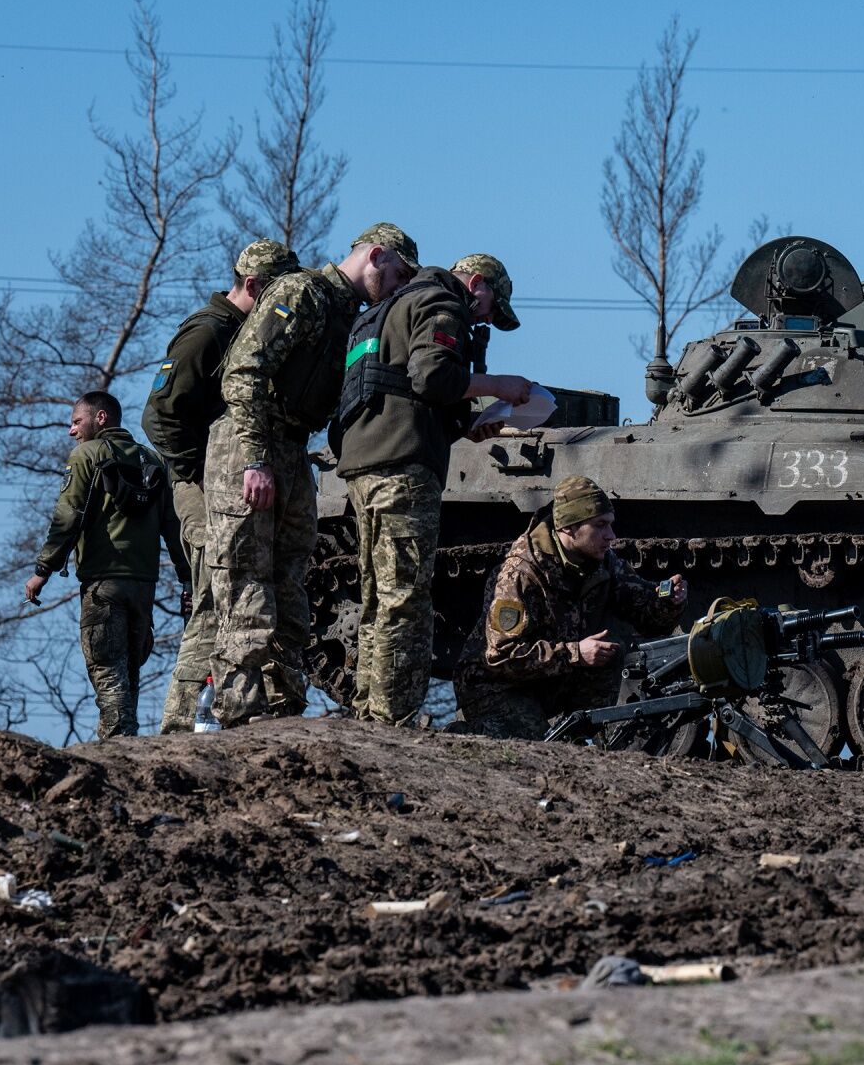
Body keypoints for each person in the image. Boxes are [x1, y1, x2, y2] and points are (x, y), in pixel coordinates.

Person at [206, 222, 420, 727]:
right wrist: (255, 459)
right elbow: (244, 371)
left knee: (290, 580)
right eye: (399, 273)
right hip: (251, 442)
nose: (399, 285)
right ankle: (241, 709)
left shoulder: (351, 317)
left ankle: (283, 705)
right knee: (245, 576)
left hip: (293, 448)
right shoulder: (301, 291)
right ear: (376, 255)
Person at [332, 252, 539, 725]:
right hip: (403, 466)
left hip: (366, 464)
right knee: (405, 598)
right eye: (489, 307)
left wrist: (465, 426)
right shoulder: (441, 302)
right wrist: (499, 385)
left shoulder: (388, 308)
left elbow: (397, 387)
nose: (483, 319)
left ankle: (369, 710)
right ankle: (393, 717)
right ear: (476, 282)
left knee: (378, 597)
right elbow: (432, 377)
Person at [141, 238, 299, 733]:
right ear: (252, 285)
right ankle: (180, 722)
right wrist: (200, 474)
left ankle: (215, 715)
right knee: (214, 595)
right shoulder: (209, 332)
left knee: (232, 595)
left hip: (221, 481)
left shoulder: (241, 332)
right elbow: (159, 416)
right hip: (200, 486)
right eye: (275, 292)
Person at [454, 476, 687, 737]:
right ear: (569, 528)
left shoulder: (602, 563)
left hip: (548, 678)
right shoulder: (521, 574)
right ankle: (462, 734)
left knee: (609, 654)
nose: (611, 536)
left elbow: (646, 615)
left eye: (610, 524)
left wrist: (668, 602)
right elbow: (500, 656)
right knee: (535, 746)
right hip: (495, 685)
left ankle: (586, 737)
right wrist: (576, 653)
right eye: (600, 525)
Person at [25, 391, 190, 740]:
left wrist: (43, 570)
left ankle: (118, 740)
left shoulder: (86, 455)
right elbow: (173, 527)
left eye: (76, 421)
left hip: (103, 583)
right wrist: (188, 578)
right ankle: (127, 740)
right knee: (129, 668)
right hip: (144, 584)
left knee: (107, 667)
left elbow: (68, 515)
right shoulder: (152, 460)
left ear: (100, 418)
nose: (71, 430)